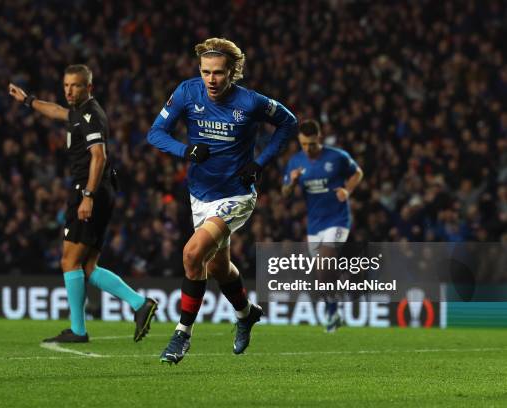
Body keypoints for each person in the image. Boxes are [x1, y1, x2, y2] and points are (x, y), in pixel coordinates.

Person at [148, 38, 298, 364]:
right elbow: (155, 132)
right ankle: (246, 314)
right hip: (199, 193)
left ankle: (182, 334)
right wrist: (184, 151)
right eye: (206, 72)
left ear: (233, 72)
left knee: (192, 254)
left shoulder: (251, 102)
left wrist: (259, 163)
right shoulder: (187, 92)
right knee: (217, 266)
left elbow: (289, 123)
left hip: (236, 195)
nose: (211, 80)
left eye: (218, 73)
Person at [8, 64, 157, 343]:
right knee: (87, 267)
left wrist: (87, 196)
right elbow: (55, 111)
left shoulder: (91, 115)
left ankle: (79, 330)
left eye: (75, 85)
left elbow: (98, 157)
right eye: (66, 85)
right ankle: (139, 305)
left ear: (89, 87)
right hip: (97, 191)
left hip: (90, 191)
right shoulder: (78, 112)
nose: (68, 90)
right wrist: (28, 100)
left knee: (69, 261)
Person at [282, 119, 363, 332]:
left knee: (325, 261)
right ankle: (333, 310)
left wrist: (347, 190)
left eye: (311, 144)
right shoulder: (296, 162)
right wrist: (291, 183)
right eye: (303, 144)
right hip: (314, 224)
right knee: (322, 274)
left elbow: (357, 173)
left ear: (319, 138)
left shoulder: (337, 157)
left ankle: (336, 301)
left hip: (337, 219)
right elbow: (285, 194)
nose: (308, 148)